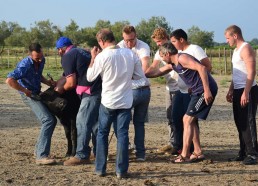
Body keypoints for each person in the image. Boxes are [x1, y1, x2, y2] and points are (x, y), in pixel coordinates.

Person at [87, 29, 146, 178]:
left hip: (108, 101)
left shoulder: (102, 56)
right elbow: (140, 76)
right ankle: (121, 170)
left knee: (102, 133)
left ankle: (100, 168)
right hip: (125, 101)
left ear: (101, 42)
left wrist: (93, 58)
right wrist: (127, 80)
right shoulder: (130, 54)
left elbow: (90, 77)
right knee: (123, 135)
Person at [158, 42, 218, 163]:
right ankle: (198, 152)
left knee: (187, 119)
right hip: (196, 91)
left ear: (167, 53)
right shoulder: (174, 64)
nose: (161, 58)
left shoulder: (182, 58)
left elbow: (201, 68)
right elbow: (156, 72)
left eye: (161, 55)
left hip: (203, 91)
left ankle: (184, 154)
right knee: (192, 120)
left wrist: (206, 90)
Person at [6, 43, 57, 165]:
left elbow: (38, 75)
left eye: (40, 56)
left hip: (36, 92)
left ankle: (39, 150)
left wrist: (48, 82)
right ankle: (41, 156)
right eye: (36, 58)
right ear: (30, 55)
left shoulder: (42, 60)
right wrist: (24, 91)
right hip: (28, 95)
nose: (39, 60)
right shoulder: (25, 64)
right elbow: (9, 80)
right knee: (48, 120)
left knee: (52, 120)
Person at [54, 37, 102, 166]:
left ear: (60, 49)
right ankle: (99, 153)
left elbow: (70, 83)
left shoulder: (67, 56)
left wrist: (59, 90)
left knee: (82, 122)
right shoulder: (83, 52)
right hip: (101, 90)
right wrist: (57, 83)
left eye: (58, 50)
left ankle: (81, 155)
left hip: (89, 92)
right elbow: (66, 75)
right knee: (96, 124)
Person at [225, 25, 258, 165]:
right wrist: (231, 89)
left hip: (248, 89)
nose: (227, 41)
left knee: (248, 121)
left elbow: (251, 72)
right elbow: (237, 73)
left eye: (227, 38)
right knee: (240, 122)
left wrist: (246, 92)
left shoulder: (246, 48)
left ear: (235, 35)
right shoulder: (235, 51)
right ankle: (243, 152)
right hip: (238, 89)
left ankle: (253, 154)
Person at [117, 25, 151, 161]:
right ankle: (138, 152)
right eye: (126, 40)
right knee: (136, 123)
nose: (129, 43)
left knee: (126, 122)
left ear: (135, 35)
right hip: (137, 88)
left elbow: (144, 69)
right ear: (123, 38)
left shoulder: (143, 46)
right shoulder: (120, 46)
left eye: (131, 40)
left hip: (137, 90)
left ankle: (134, 151)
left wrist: (128, 74)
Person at [145, 27, 180, 155]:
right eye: (156, 43)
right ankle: (172, 142)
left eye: (159, 41)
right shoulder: (159, 53)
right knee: (169, 116)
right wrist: (143, 74)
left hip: (180, 87)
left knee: (179, 117)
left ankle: (180, 144)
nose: (158, 44)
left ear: (166, 38)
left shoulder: (174, 50)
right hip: (169, 87)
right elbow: (153, 67)